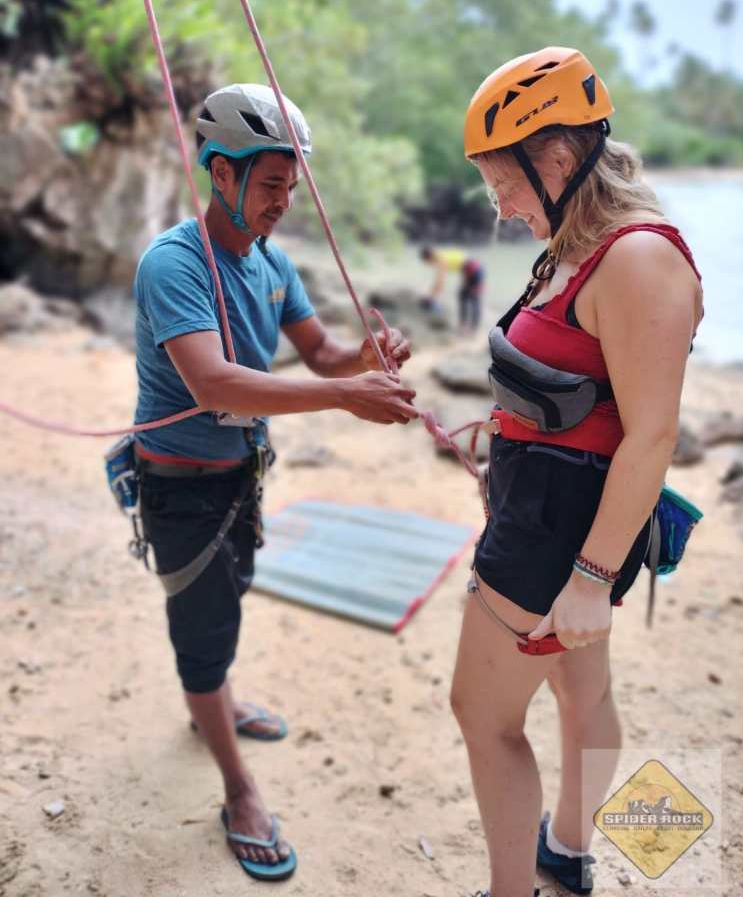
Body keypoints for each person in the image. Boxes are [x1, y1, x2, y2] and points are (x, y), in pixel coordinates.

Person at [133, 83, 418, 882]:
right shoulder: (174, 265)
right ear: (220, 174)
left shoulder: (271, 260)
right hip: (180, 486)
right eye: (269, 186)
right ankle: (238, 784)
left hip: (240, 478)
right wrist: (342, 395)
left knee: (225, 606)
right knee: (202, 634)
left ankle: (214, 703)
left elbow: (323, 354)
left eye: (292, 188)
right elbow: (214, 386)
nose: (283, 203)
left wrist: (363, 361)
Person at [450, 47, 703, 897]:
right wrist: (497, 425)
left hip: (561, 533)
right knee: (582, 692)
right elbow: (582, 391)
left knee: (483, 716)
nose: (499, 203)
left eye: (505, 181)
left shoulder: (637, 259)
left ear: (555, 157)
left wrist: (592, 577)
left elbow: (652, 433)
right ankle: (567, 848)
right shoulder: (578, 244)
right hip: (550, 507)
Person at [420, 245, 485, 332]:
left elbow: (440, 283)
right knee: (462, 296)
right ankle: (463, 325)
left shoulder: (441, 260)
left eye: (427, 262)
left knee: (474, 298)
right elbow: (438, 282)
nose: (428, 265)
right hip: (467, 271)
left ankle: (473, 329)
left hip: (475, 270)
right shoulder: (438, 256)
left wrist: (431, 298)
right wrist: (431, 296)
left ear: (429, 258)